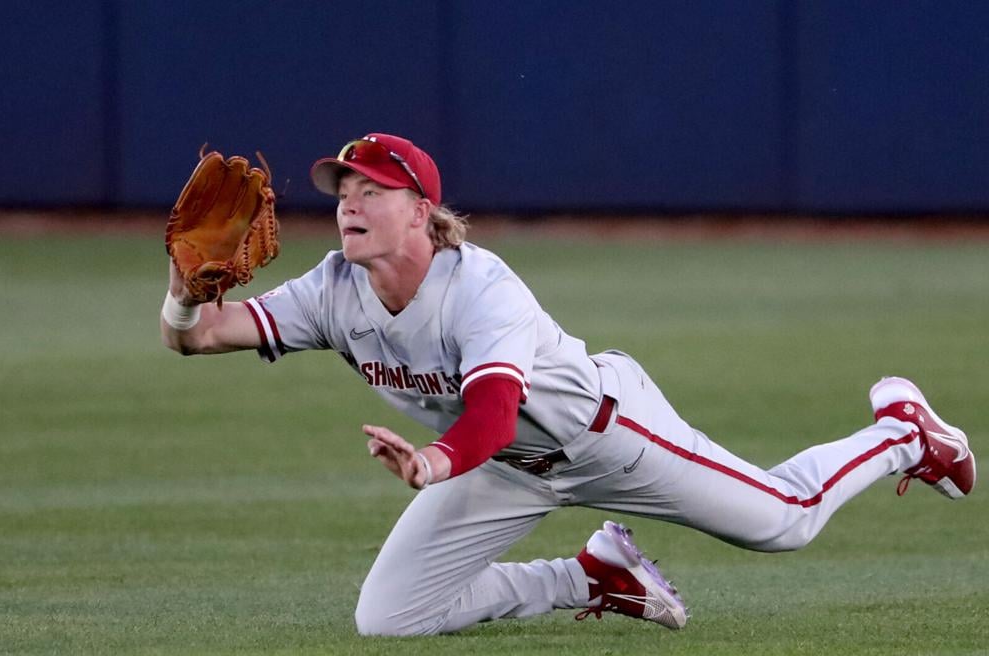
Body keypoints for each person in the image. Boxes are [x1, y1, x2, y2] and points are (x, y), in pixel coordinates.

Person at [159, 132, 976, 636]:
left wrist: (432, 465)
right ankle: (591, 576)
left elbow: (492, 409)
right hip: (506, 468)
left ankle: (903, 431)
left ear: (421, 210)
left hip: (608, 436)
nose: (350, 202)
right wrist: (185, 296)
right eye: (344, 188)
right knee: (387, 618)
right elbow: (200, 340)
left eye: (373, 188)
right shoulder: (333, 287)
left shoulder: (481, 287)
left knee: (785, 523)